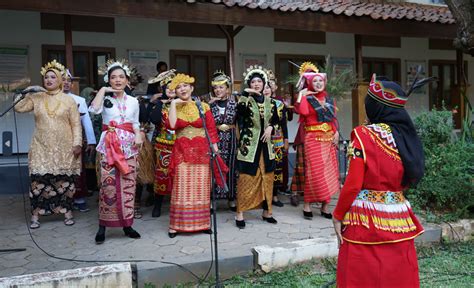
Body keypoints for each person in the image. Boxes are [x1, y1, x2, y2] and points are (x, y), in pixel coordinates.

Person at [332, 74, 427, 287]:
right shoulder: (406, 136)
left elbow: (354, 183)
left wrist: (338, 215)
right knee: (398, 274)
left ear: (376, 108)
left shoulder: (363, 135)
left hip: (365, 219)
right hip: (399, 216)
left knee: (361, 274)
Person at [14, 60, 82, 229]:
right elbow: (19, 108)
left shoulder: (68, 100)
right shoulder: (36, 98)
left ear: (60, 79)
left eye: (53, 77)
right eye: (46, 77)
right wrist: (26, 91)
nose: (49, 80)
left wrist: (77, 143)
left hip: (64, 148)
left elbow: (75, 124)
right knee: (39, 181)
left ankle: (67, 213)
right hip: (41, 147)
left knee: (64, 180)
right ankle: (36, 215)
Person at [166, 73, 227, 238]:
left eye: (185, 85)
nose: (182, 89)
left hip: (202, 150)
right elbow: (171, 126)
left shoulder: (203, 106)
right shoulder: (173, 106)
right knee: (181, 188)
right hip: (182, 151)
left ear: (191, 88)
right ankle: (176, 226)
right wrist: (173, 104)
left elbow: (212, 129)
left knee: (201, 188)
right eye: (178, 87)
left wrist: (215, 148)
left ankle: (202, 223)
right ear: (175, 91)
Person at [89, 59, 143, 244]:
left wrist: (138, 135)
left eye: (121, 77)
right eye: (113, 77)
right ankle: (103, 226)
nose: (118, 80)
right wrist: (103, 91)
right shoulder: (104, 98)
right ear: (108, 80)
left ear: (127, 80)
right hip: (109, 147)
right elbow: (93, 111)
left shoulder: (134, 101)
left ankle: (127, 225)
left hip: (129, 147)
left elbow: (135, 123)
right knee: (108, 186)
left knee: (128, 186)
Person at [235, 66, 279, 228]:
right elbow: (239, 113)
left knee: (267, 178)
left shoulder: (270, 102)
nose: (256, 84)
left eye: (259, 81)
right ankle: (240, 213)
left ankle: (267, 212)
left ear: (264, 83)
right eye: (253, 81)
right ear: (249, 84)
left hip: (267, 147)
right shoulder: (244, 100)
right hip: (249, 147)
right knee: (246, 179)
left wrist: (271, 127)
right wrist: (246, 94)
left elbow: (275, 120)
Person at [294, 62, 339, 220]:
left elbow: (333, 118)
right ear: (309, 83)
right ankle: (307, 204)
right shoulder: (307, 97)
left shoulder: (329, 98)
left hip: (329, 139)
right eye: (315, 81)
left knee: (329, 173)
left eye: (320, 81)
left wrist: (337, 132)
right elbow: (303, 112)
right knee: (314, 173)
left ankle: (325, 205)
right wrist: (302, 95)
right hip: (313, 139)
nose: (318, 84)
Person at [63, 69, 97, 212]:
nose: (66, 83)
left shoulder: (79, 100)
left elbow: (87, 122)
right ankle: (62, 200)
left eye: (68, 81)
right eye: (63, 79)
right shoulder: (49, 100)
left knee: (78, 171)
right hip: (56, 142)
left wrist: (91, 141)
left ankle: (79, 199)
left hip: (75, 141)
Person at [147, 69, 177, 217]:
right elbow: (154, 119)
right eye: (168, 87)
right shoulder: (159, 104)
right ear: (163, 89)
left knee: (179, 175)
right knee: (162, 175)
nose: (171, 90)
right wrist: (160, 103)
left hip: (180, 146)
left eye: (174, 87)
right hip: (163, 146)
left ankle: (178, 205)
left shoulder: (182, 103)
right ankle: (157, 205)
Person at [208, 71, 238, 211]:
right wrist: (208, 105)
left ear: (227, 88)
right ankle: (213, 199)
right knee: (215, 168)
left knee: (231, 168)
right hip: (215, 139)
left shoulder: (235, 102)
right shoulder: (208, 104)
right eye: (215, 88)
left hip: (231, 139)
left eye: (221, 87)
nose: (218, 90)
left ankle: (231, 198)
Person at [262, 70, 288, 207]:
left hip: (277, 139)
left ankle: (275, 195)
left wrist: (286, 140)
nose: (266, 90)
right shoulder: (257, 103)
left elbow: (283, 123)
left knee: (277, 168)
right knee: (264, 167)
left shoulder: (279, 104)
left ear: (272, 89)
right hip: (262, 140)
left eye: (268, 87)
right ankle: (263, 196)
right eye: (264, 87)